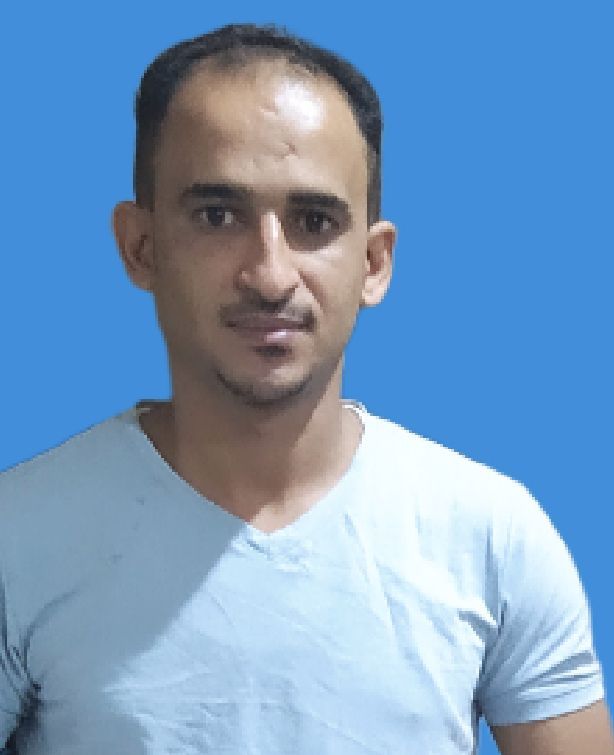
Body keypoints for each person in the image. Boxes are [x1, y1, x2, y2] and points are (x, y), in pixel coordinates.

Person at [0, 22, 611, 755]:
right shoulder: (20, 536)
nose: (270, 274)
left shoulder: (490, 537)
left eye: (314, 221)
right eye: (217, 216)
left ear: (373, 263)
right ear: (141, 246)